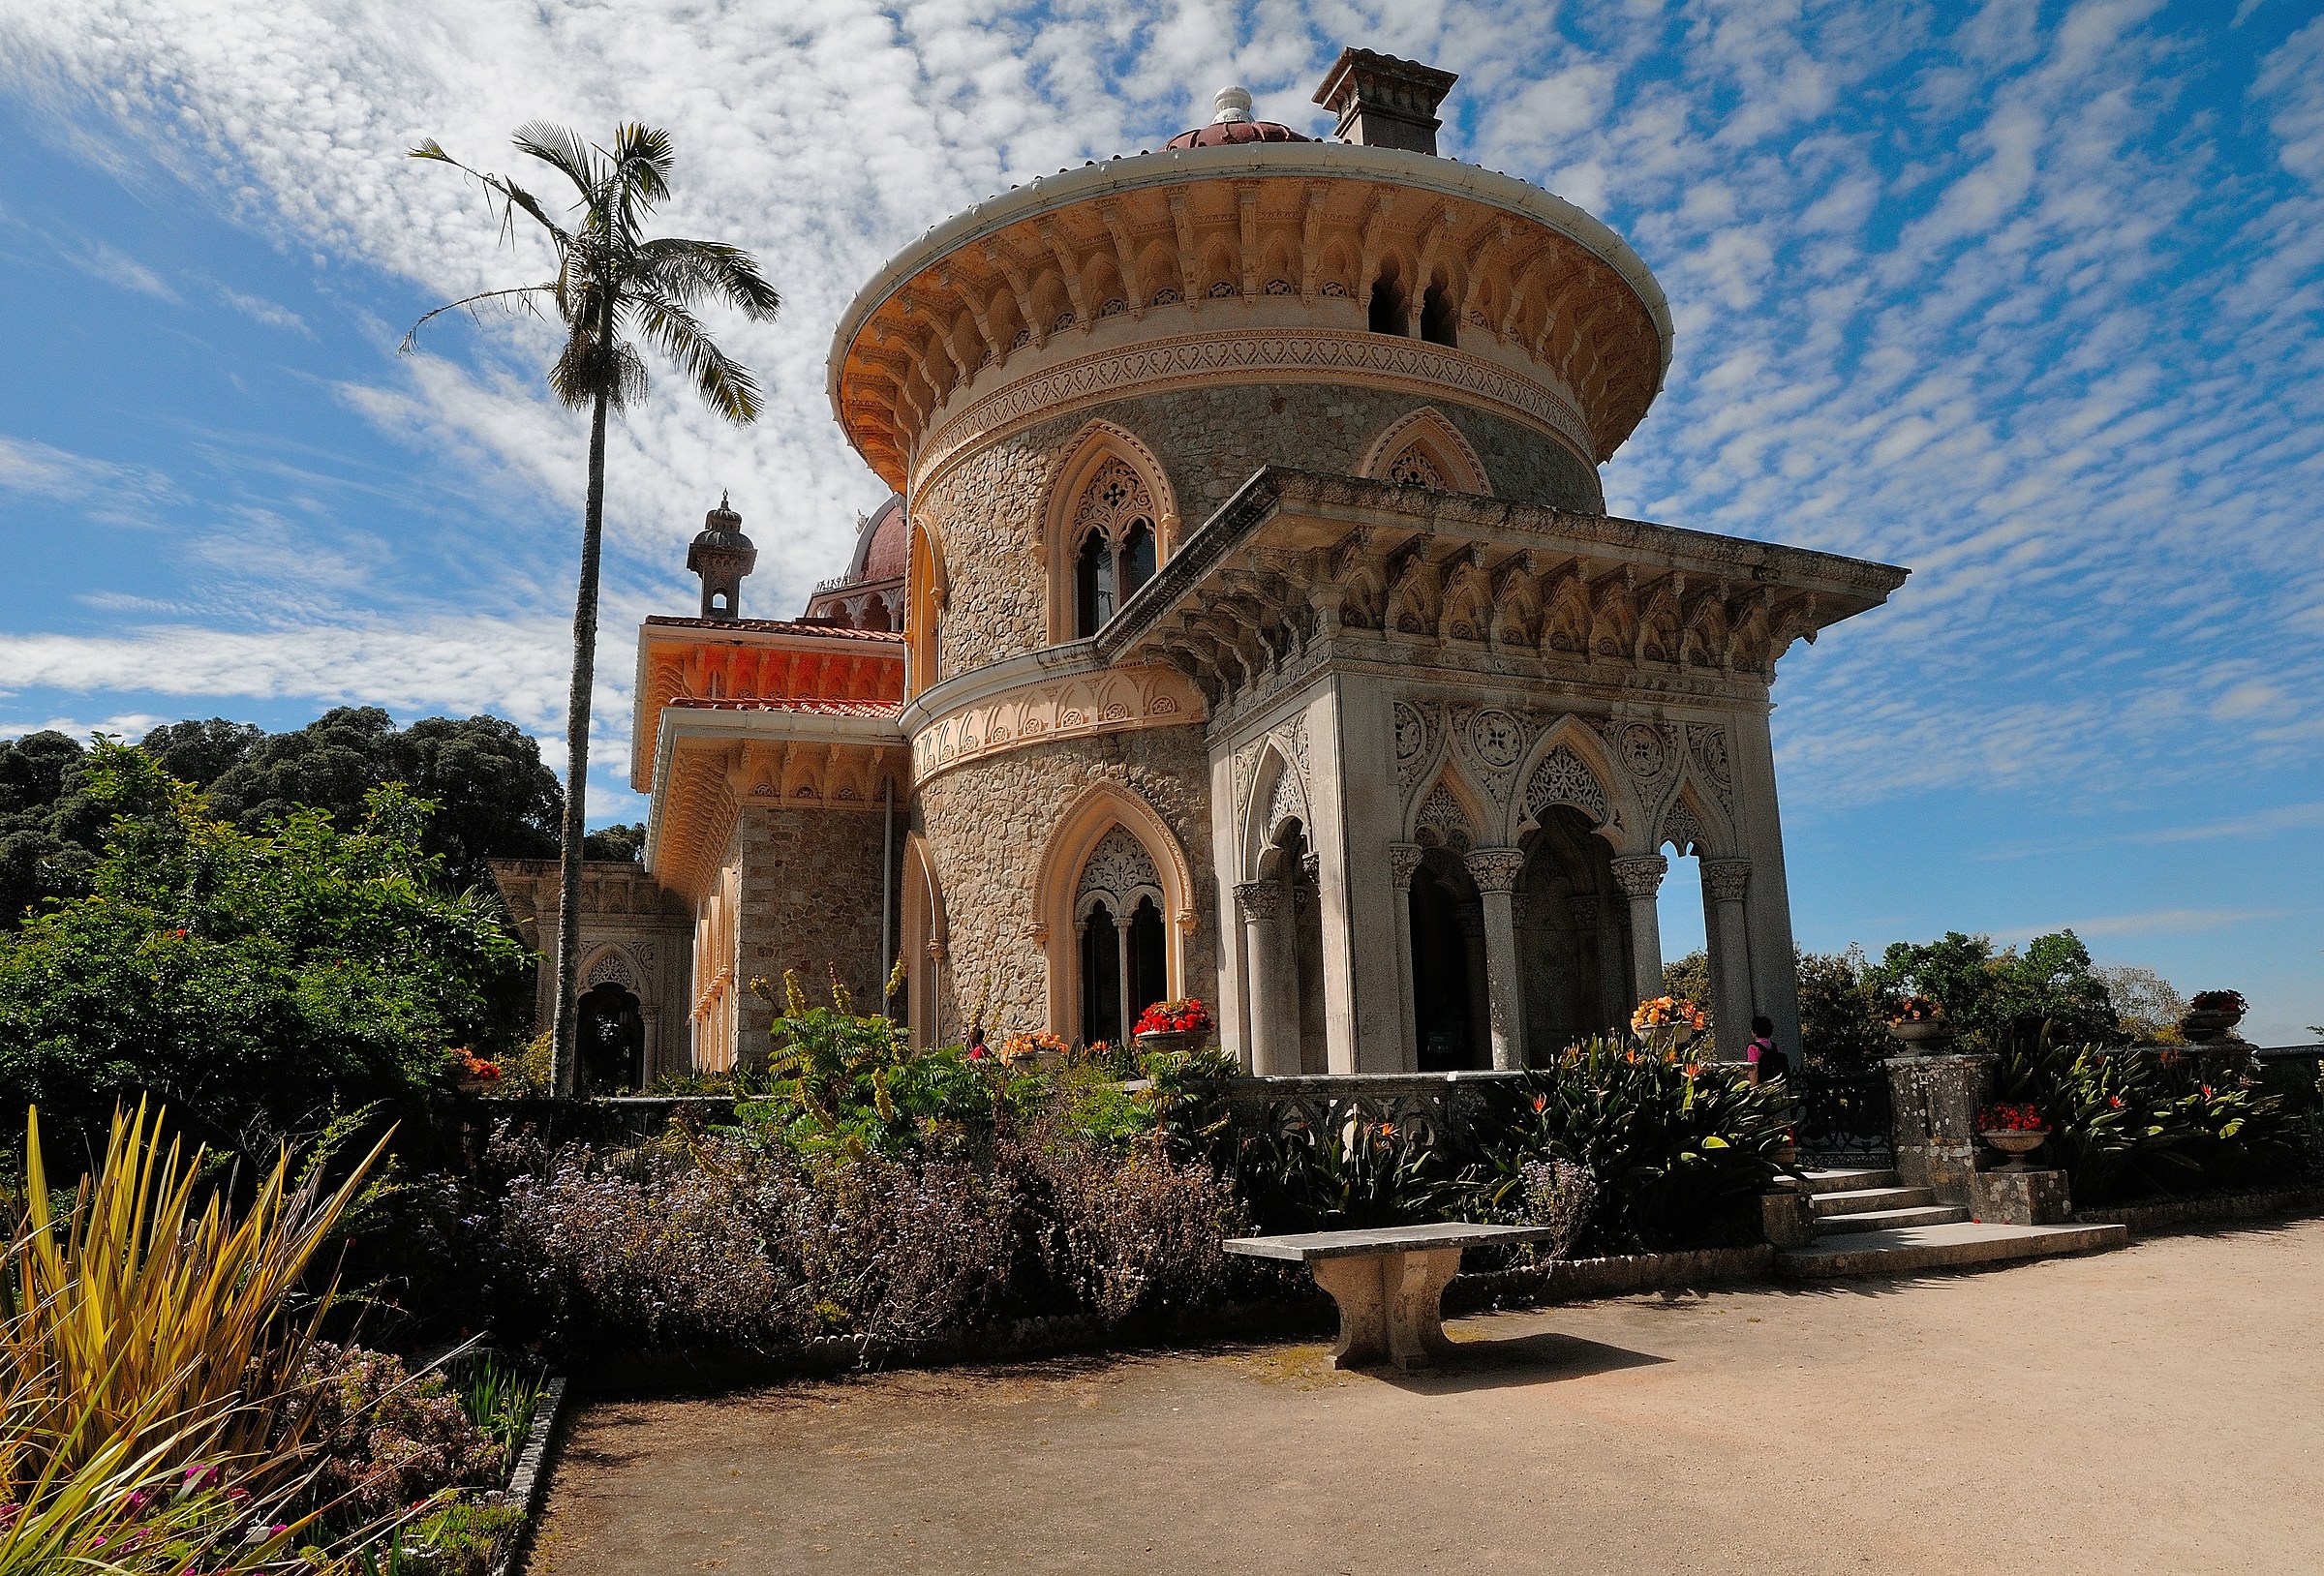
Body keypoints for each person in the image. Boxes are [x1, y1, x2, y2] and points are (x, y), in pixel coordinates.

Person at [1745, 1015, 1789, 1086]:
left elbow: (1754, 1069)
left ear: (1755, 1031)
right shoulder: (1773, 1045)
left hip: (1761, 1084)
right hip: (1774, 1083)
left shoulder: (1753, 1048)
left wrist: (1752, 1087)